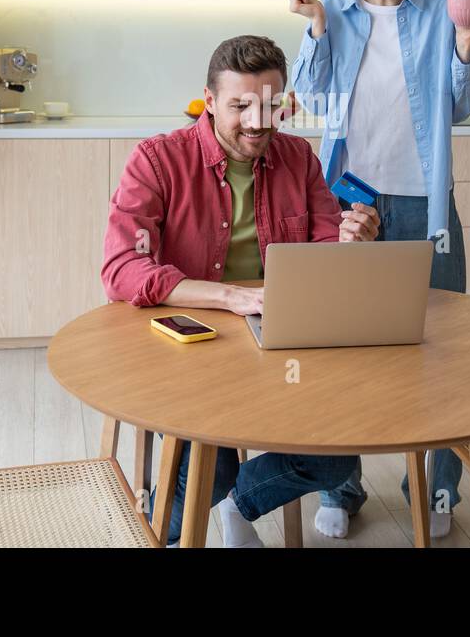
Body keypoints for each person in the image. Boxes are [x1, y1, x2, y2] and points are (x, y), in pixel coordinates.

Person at [101, 34, 382, 547]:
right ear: (208, 102)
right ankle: (161, 534)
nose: (257, 121)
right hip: (191, 347)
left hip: (281, 343)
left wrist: (348, 240)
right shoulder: (158, 160)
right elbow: (122, 268)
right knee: (211, 469)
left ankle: (240, 504)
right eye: (240, 105)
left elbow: (324, 253)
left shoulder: (298, 158)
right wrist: (230, 296)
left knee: (338, 453)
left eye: (271, 105)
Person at [289, 0, 470, 540]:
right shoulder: (336, 10)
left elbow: (460, 105)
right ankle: (340, 485)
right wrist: (317, 28)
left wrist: (465, 44)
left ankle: (431, 490)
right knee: (343, 349)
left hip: (425, 203)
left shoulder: (440, 12)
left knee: (440, 348)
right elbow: (312, 97)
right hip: (349, 200)